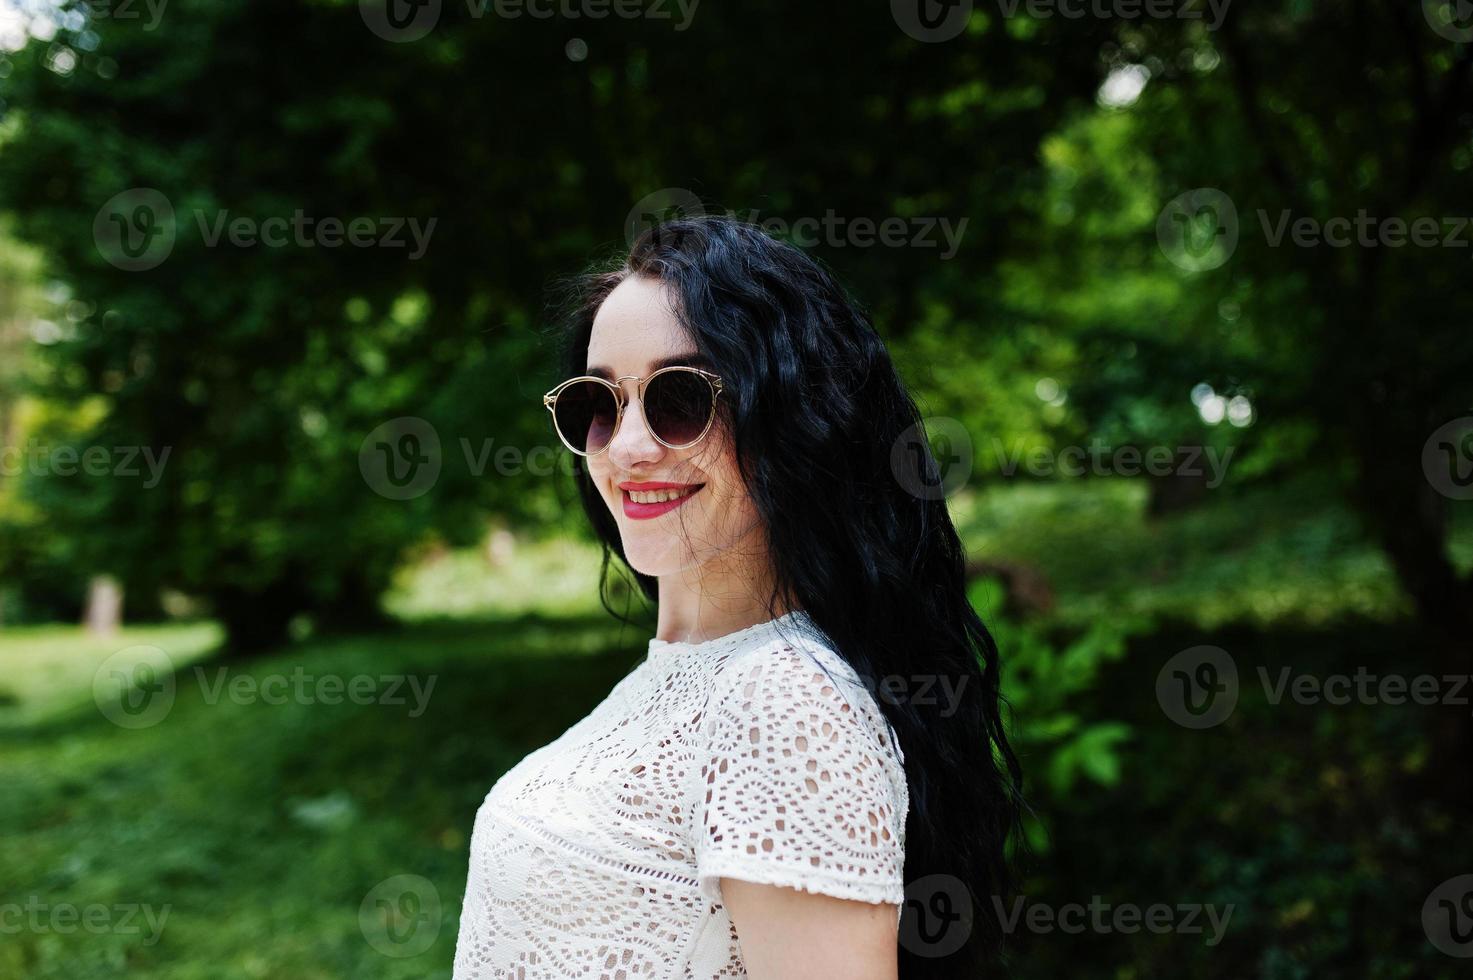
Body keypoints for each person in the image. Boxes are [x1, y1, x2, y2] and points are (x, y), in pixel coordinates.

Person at [452, 214, 1023, 978]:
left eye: (680, 398)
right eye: (598, 403)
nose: (626, 447)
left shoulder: (783, 701)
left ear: (796, 418)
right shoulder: (679, 677)